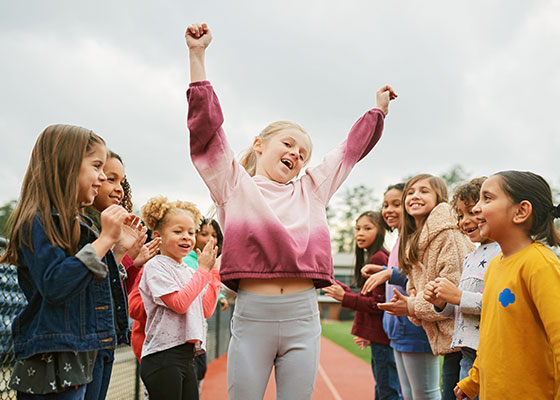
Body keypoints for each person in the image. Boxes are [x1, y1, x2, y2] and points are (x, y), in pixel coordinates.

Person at [185, 22, 397, 400]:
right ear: (259, 145)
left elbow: (349, 151)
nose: (297, 156)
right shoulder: (233, 184)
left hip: (302, 316)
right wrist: (197, 56)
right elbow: (206, 132)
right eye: (289, 144)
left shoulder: (312, 189)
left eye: (303, 154)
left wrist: (377, 112)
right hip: (252, 316)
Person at [1, 124, 139, 399]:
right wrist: (104, 241)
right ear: (66, 166)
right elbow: (55, 283)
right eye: (97, 166)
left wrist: (116, 247)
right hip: (52, 362)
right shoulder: (38, 221)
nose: (101, 177)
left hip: (81, 354)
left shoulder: (81, 226)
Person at [454, 171, 560, 400]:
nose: (476, 208)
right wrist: (474, 380)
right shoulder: (493, 267)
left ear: (521, 211)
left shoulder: (540, 264)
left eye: (487, 198)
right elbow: (491, 335)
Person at [372, 174, 474, 400]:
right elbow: (416, 281)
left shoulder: (448, 235)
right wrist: (411, 295)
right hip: (449, 341)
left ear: (440, 198)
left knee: (427, 394)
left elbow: (454, 292)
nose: (415, 196)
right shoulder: (416, 238)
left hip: (463, 341)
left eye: (424, 191)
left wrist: (412, 304)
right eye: (410, 192)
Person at [423, 178, 500, 400]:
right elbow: (459, 309)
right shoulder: (470, 257)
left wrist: (458, 296)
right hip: (464, 352)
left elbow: (498, 305)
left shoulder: (502, 252)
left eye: (472, 212)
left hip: (486, 354)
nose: (465, 221)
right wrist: (441, 302)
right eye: (460, 215)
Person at [362, 184, 439, 400]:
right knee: (407, 393)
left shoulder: (418, 239)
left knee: (425, 394)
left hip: (415, 326)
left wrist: (389, 274)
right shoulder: (399, 240)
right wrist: (385, 271)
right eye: (385, 205)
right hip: (397, 329)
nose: (388, 210)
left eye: (396, 204)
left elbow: (424, 279)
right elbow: (406, 274)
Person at [139, 197, 221, 400]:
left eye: (191, 232)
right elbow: (180, 304)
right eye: (178, 232)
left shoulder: (186, 270)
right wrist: (202, 270)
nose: (187, 237)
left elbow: (206, 309)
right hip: (162, 356)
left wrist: (214, 274)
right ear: (157, 236)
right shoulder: (155, 266)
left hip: (186, 356)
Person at [323, 211, 400, 400]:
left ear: (381, 230)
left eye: (367, 228)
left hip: (384, 339)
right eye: (357, 229)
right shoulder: (373, 258)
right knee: (383, 390)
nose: (360, 233)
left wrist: (344, 298)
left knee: (387, 392)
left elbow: (377, 304)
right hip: (380, 337)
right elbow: (368, 296)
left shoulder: (378, 259)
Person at [84, 150, 160, 293]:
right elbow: (90, 288)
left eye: (122, 183)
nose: (119, 189)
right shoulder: (85, 227)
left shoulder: (114, 228)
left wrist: (129, 259)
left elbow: (118, 295)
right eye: (111, 179)